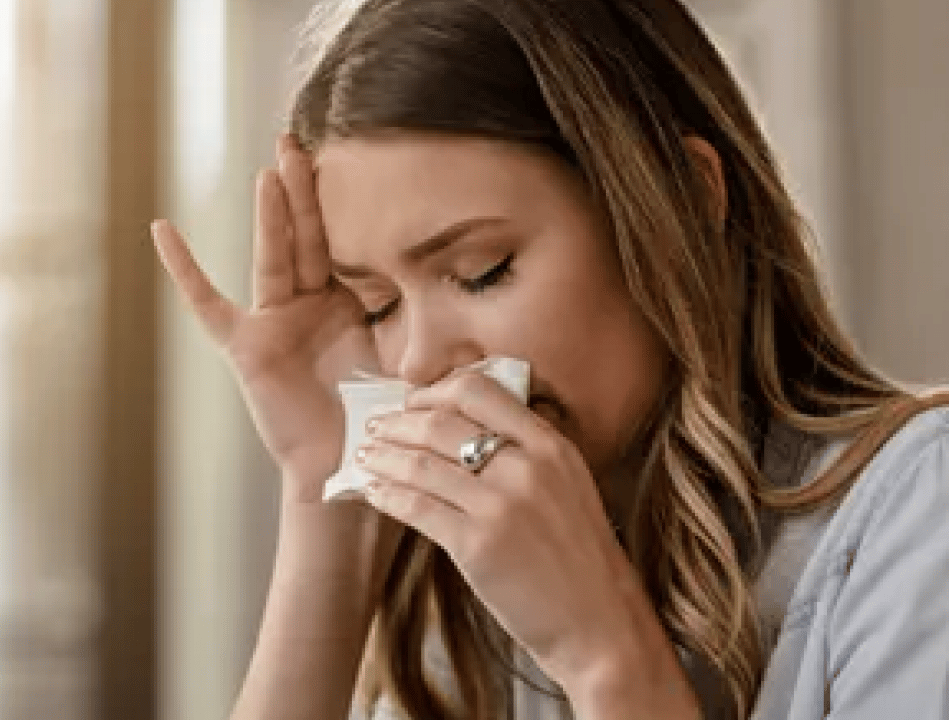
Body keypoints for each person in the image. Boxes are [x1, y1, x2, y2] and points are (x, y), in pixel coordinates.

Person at [151, 0, 949, 718]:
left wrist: (604, 659)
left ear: (685, 200)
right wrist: (327, 497)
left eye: (481, 271)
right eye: (377, 306)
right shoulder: (468, 601)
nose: (421, 361)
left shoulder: (921, 512)